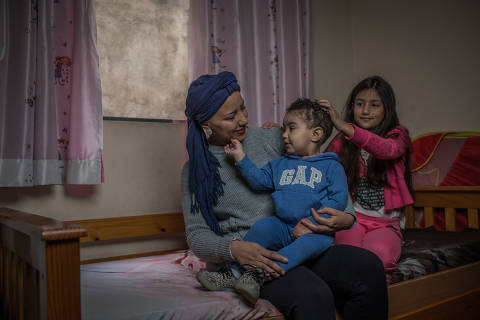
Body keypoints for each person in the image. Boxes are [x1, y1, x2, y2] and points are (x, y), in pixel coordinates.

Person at [182, 71, 388, 320]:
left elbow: (320, 170)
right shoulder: (195, 171)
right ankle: (240, 276)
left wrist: (341, 218)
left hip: (306, 238)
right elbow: (197, 236)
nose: (243, 119)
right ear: (206, 124)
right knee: (313, 295)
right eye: (230, 116)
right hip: (259, 255)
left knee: (368, 267)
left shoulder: (272, 138)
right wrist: (235, 249)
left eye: (243, 109)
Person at [196, 98, 348, 304]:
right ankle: (232, 273)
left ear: (316, 134)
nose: (284, 135)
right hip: (281, 224)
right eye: (284, 128)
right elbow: (259, 181)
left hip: (314, 231)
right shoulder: (280, 164)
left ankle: (258, 277)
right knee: (262, 228)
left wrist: (313, 225)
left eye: (291, 128)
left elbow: (338, 202)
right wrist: (241, 158)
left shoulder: (332, 166)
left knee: (300, 249)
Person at [320, 75, 413, 272]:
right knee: (346, 255)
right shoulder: (342, 142)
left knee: (380, 256)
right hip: (351, 219)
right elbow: (320, 167)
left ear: (387, 108)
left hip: (385, 224)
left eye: (374, 105)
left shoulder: (398, 135)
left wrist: (346, 128)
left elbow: (388, 150)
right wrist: (286, 135)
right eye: (359, 104)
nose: (365, 111)